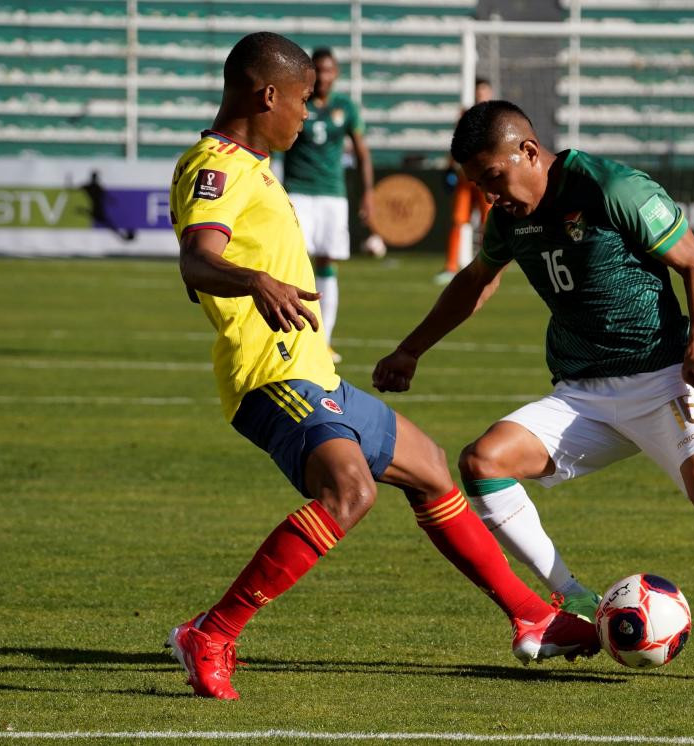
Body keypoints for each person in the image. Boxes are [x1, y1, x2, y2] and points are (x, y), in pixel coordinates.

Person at [373, 100, 694, 688]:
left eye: (494, 178)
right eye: (478, 184)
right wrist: (411, 348)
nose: (489, 195)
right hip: (582, 393)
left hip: (662, 377)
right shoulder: (508, 216)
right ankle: (575, 597)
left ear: (529, 152)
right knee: (483, 462)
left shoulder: (611, 186)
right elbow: (475, 283)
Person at [166, 36, 597, 701]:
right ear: (268, 96)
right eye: (305, 102)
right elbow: (197, 258)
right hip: (270, 376)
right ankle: (213, 633)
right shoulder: (213, 166)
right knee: (350, 494)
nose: (309, 118)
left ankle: (531, 615)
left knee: (428, 469)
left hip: (313, 372)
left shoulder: (254, 166)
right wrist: (255, 280)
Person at [281, 47, 373, 364]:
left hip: (333, 194)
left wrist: (368, 194)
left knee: (327, 263)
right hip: (298, 191)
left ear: (337, 73)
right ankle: (293, 337)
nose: (324, 76)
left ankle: (324, 340)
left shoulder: (345, 107)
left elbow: (362, 152)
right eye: (318, 70)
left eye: (329, 70)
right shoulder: (297, 102)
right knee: (295, 263)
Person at [437, 77, 494, 286]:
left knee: (489, 223)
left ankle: (489, 265)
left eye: (484, 91)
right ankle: (451, 265)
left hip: (486, 178)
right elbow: (457, 143)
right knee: (458, 220)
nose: (481, 95)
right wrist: (449, 167)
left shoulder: (494, 116)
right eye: (478, 91)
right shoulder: (465, 115)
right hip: (465, 177)